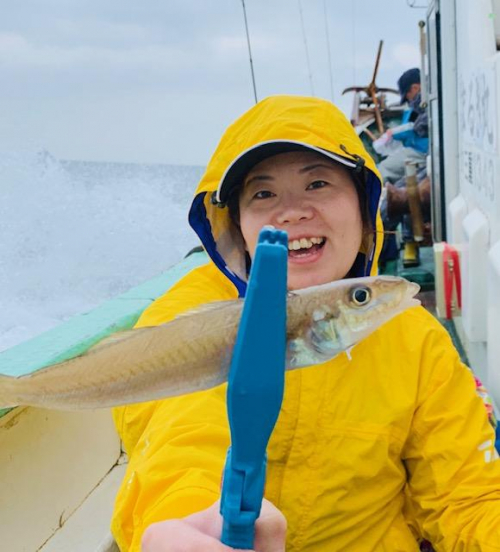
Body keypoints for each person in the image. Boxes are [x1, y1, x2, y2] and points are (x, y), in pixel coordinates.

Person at [111, 96, 500, 551]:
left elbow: (468, 494)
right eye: (263, 193)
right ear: (236, 225)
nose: (292, 212)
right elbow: (180, 439)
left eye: (317, 183)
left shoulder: (414, 337)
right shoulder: (193, 316)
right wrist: (190, 519)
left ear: (364, 205)